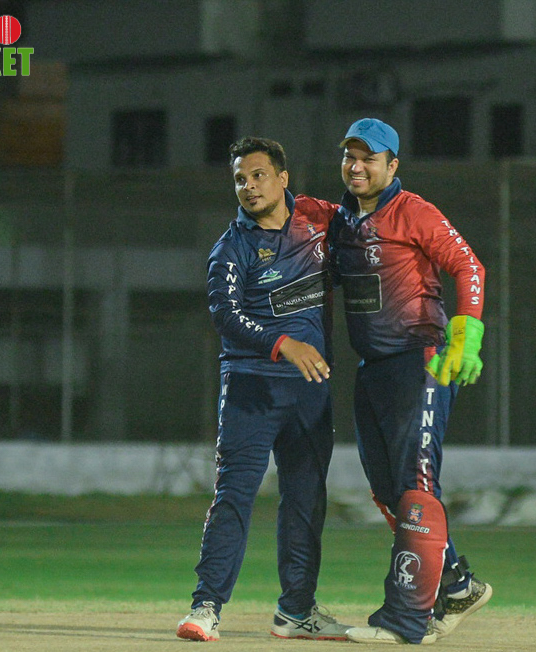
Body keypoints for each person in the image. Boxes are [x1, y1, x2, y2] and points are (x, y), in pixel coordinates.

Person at [176, 137, 351, 642]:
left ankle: (296, 611)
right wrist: (283, 344)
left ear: (282, 178)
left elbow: (370, 241)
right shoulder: (231, 248)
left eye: (258, 175)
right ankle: (206, 607)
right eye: (239, 179)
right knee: (234, 496)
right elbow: (225, 316)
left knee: (305, 500)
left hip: (310, 392)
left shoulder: (320, 221)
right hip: (251, 390)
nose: (249, 186)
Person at [330, 118, 492, 645]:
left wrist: (466, 336)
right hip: (373, 369)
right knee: (388, 491)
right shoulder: (342, 222)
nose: (357, 166)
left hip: (419, 361)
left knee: (416, 487)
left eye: (369, 158)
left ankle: (406, 620)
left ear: (392, 165)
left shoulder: (413, 211)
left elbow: (469, 267)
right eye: (350, 156)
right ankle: (456, 585)